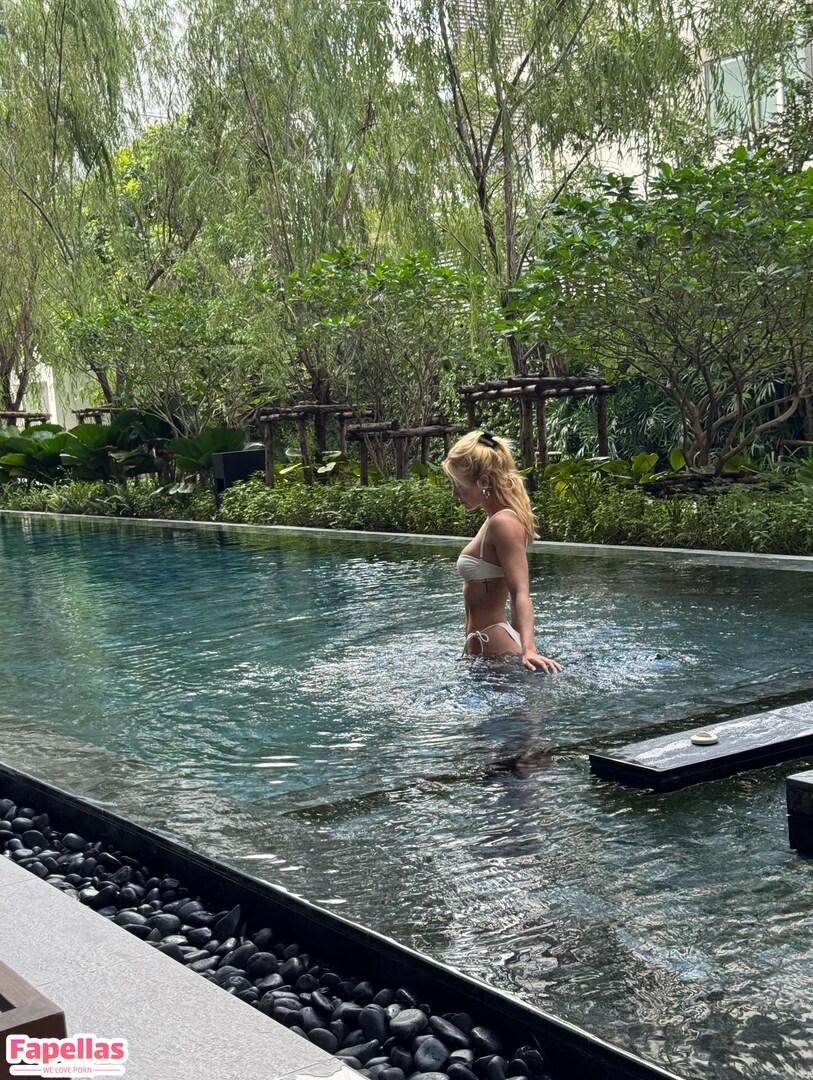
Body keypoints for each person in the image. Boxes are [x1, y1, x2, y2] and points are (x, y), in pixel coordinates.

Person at [443, 429, 562, 674]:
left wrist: (529, 649)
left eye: (459, 485)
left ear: (484, 481)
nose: (455, 493)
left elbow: (520, 592)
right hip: (487, 649)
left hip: (496, 648)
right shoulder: (493, 519)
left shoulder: (503, 523)